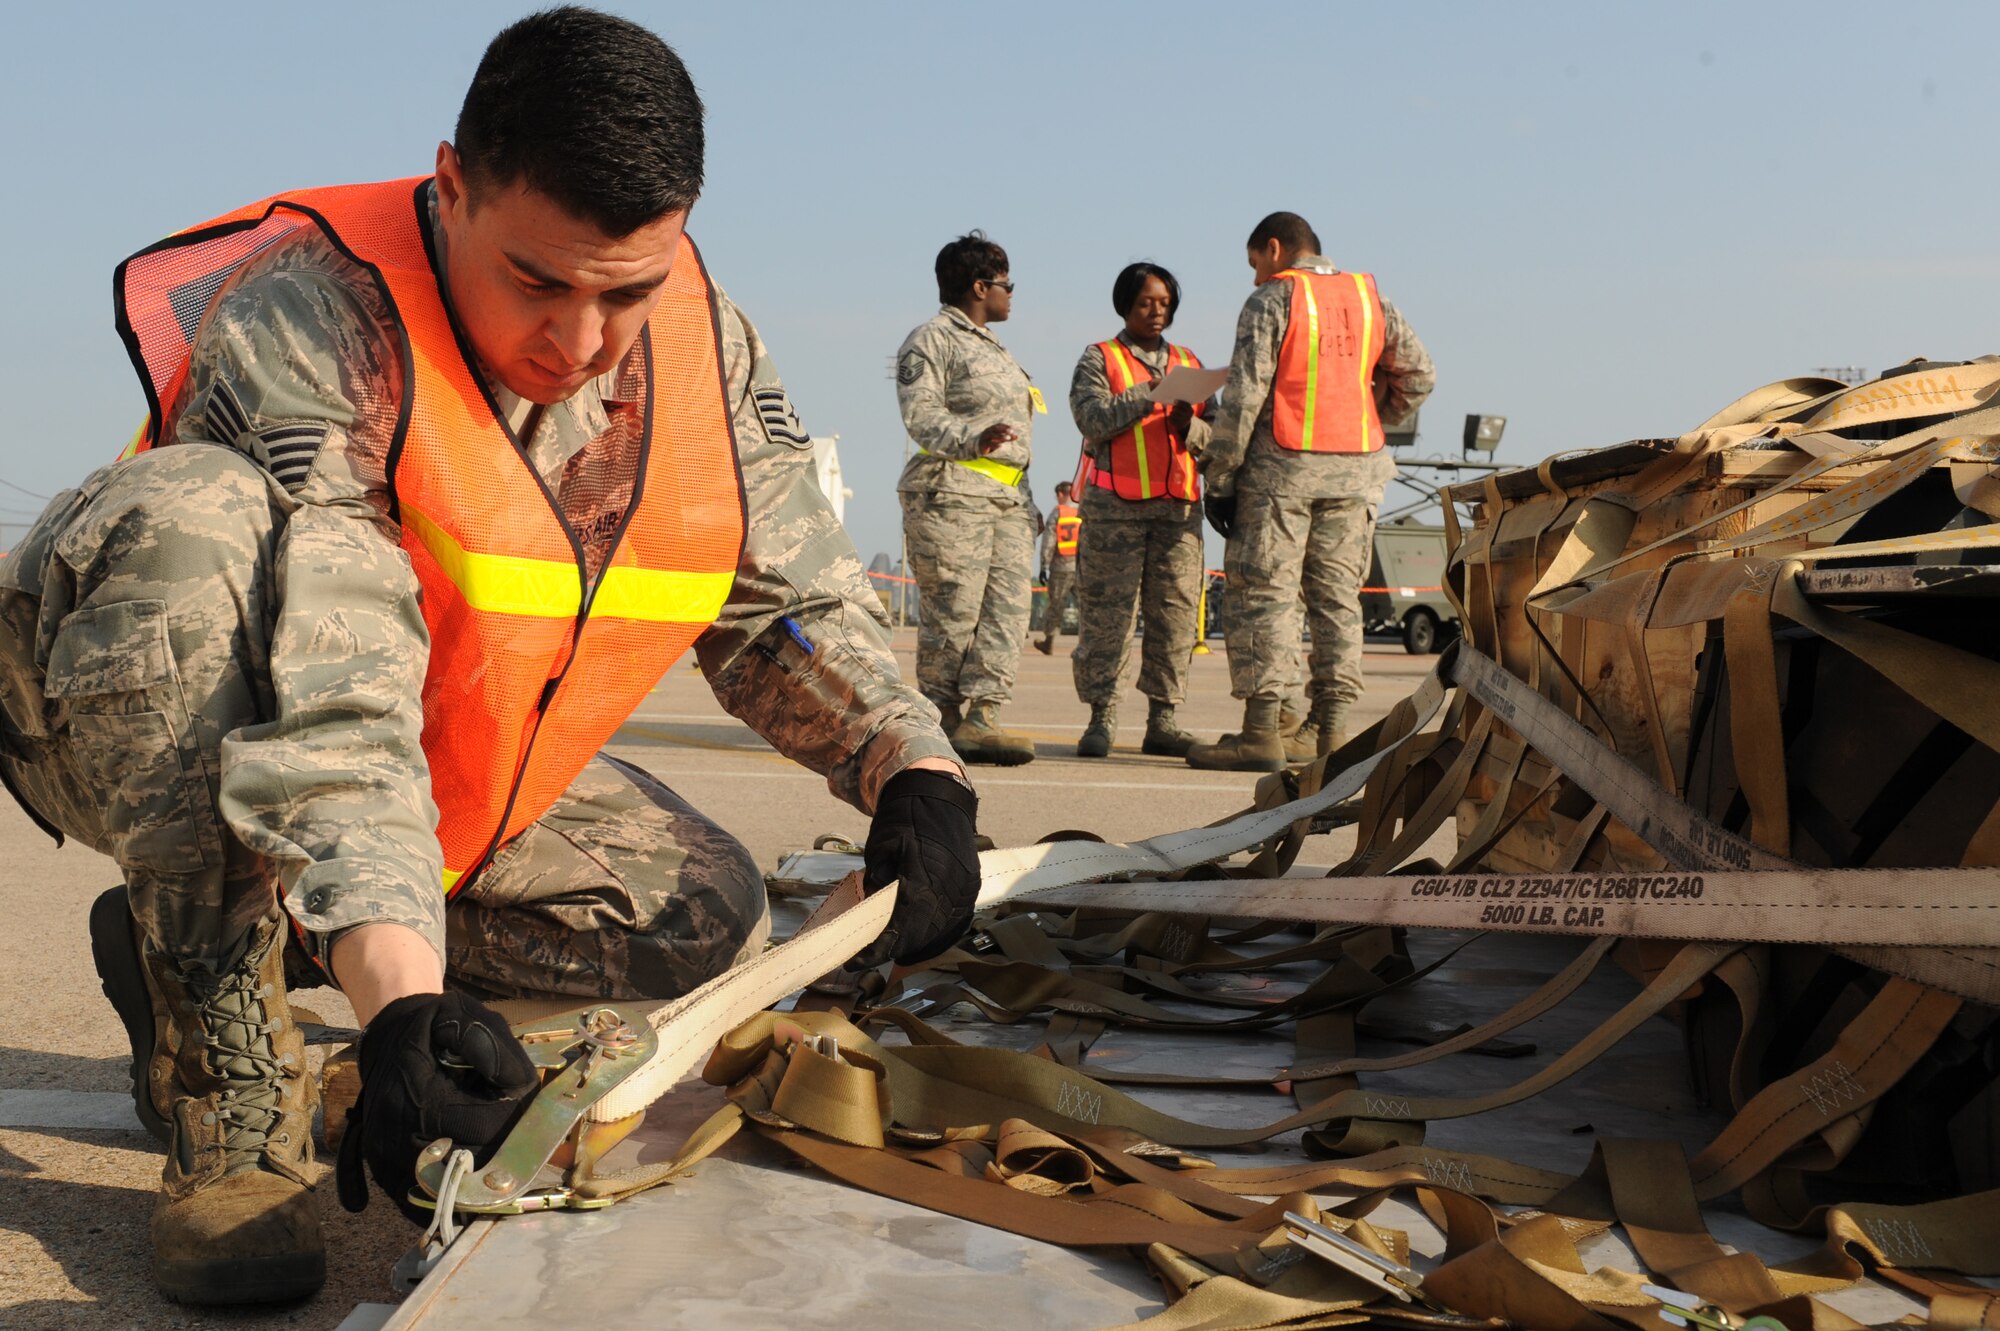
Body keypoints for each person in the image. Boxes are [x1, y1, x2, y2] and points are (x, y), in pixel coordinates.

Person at [0, 9, 980, 1305]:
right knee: (195, 526)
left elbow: (784, 597)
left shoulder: (704, 344)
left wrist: (908, 762)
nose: (581, 342)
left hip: (436, 749)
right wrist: (405, 993)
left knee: (690, 911)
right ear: (452, 186)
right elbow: (330, 689)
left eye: (625, 291)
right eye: (537, 281)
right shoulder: (317, 316)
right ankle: (231, 1092)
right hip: (165, 705)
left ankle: (245, 958)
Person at [1188, 212, 1434, 771]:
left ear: (1275, 249)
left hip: (1283, 472)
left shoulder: (1274, 299)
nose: (1254, 278)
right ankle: (1328, 731)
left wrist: (1222, 478)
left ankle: (1262, 733)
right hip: (1358, 474)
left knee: (1264, 594)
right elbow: (1419, 375)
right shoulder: (1370, 298)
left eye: (1255, 264)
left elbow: (1245, 396)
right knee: (1336, 598)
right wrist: (1368, 419)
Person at [894, 233, 1046, 765]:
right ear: (980, 286)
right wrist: (971, 438)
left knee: (1007, 611)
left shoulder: (995, 349)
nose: (1011, 294)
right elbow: (921, 414)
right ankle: (939, 719)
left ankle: (984, 715)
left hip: (1005, 502)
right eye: (1007, 284)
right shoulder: (932, 340)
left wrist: (1025, 499)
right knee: (953, 615)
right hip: (951, 497)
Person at [1066, 263, 1211, 759]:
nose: (1157, 312)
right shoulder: (1099, 359)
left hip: (1178, 515)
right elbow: (1091, 418)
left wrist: (1187, 423)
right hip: (1114, 514)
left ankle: (1163, 720)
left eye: (1165, 303)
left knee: (1174, 618)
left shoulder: (1190, 363)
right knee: (1107, 619)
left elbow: (1218, 438)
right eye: (1147, 302)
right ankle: (1101, 716)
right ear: (1125, 304)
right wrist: (1147, 394)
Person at [1034, 479, 1081, 654]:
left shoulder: (1058, 512)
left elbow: (1048, 542)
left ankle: (1049, 642)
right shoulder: (1082, 510)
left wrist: (1043, 566)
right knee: (1084, 607)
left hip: (1061, 567)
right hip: (1081, 567)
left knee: (1056, 606)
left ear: (1061, 494)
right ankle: (1085, 643)